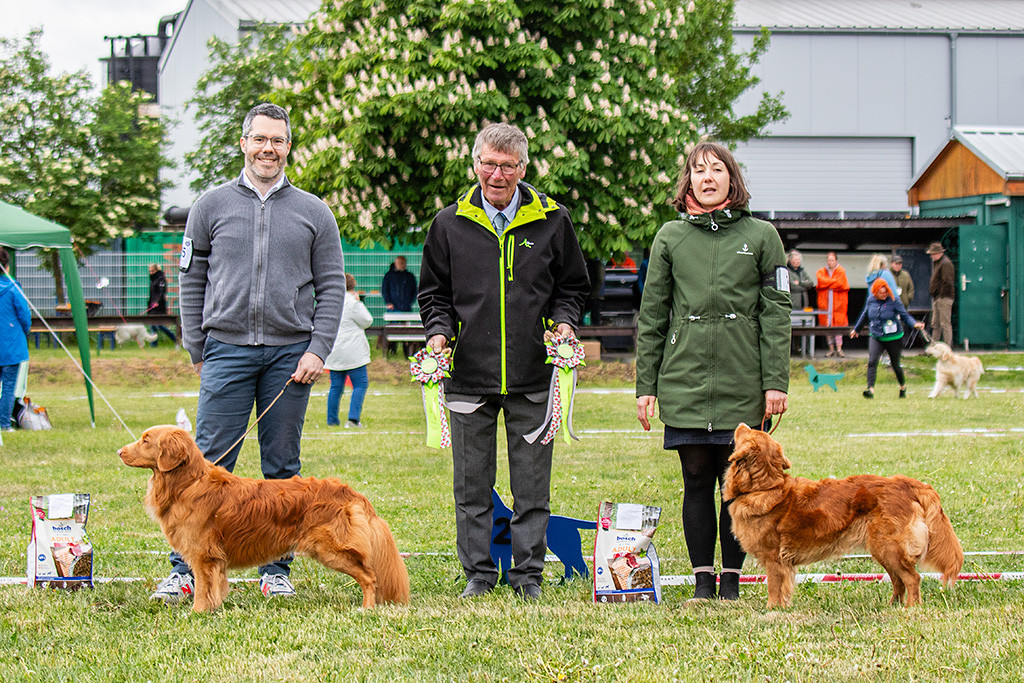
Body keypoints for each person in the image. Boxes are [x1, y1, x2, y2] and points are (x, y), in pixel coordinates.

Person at [162, 102, 346, 603]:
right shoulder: (210, 206)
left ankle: (276, 567)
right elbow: (190, 278)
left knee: (282, 466)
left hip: (292, 358)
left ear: (289, 146)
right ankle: (183, 567)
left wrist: (318, 348)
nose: (269, 148)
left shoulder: (315, 212)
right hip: (225, 349)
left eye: (278, 140)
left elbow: (331, 287)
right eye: (260, 139)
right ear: (243, 143)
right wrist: (197, 345)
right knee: (204, 463)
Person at [418, 122, 590, 601]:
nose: (497, 174)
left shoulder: (554, 220)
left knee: (532, 488)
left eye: (507, 166)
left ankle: (528, 575)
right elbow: (433, 293)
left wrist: (565, 323)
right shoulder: (448, 223)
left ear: (523, 168)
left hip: (535, 376)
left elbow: (573, 287)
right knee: (472, 487)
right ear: (475, 164)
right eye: (488, 164)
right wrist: (437, 334)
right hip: (467, 376)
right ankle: (478, 573)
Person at [635, 141, 791, 602]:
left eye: (716, 170)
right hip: (684, 379)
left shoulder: (763, 236)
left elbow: (777, 312)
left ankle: (731, 582)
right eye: (698, 170)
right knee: (697, 479)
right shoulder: (669, 237)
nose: (707, 178)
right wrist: (647, 386)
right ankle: (703, 582)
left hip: (744, 379)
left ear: (731, 178)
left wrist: (774, 382)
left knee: (740, 484)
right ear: (688, 180)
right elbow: (653, 315)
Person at [851, 278, 925, 398]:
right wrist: (856, 329)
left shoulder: (894, 300)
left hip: (894, 337)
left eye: (885, 292)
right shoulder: (871, 300)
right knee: (872, 361)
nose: (883, 295)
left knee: (895, 364)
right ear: (875, 292)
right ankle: (870, 390)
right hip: (876, 335)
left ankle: (902, 387)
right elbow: (865, 315)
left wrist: (915, 324)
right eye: (880, 293)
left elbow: (905, 316)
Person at [325, 273, 372, 429]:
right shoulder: (352, 303)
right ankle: (352, 419)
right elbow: (367, 321)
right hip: (353, 351)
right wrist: (358, 301)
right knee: (360, 384)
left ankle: (332, 420)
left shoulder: (331, 302)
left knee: (336, 386)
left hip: (334, 350)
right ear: (352, 287)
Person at [0, 248, 31, 432]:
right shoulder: (13, 288)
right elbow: (25, 316)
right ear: (7, 266)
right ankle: (4, 423)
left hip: (11, 344)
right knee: (9, 387)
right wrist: (21, 334)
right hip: (12, 346)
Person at [816, 251, 850, 357]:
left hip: (838, 304)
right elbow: (821, 282)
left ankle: (839, 349)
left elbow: (842, 284)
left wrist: (828, 283)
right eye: (828, 260)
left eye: (832, 260)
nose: (830, 262)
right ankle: (831, 349)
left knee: (838, 326)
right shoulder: (822, 271)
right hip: (826, 303)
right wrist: (833, 282)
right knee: (828, 326)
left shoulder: (841, 271)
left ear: (836, 260)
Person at [927, 242, 955, 346]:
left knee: (945, 324)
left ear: (938, 253)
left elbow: (947, 282)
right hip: (938, 297)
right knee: (936, 324)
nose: (931, 256)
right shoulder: (939, 262)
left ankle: (947, 348)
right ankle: (934, 347)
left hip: (944, 297)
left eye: (932, 254)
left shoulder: (945, 263)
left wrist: (940, 296)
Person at [146, 263, 176, 346]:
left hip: (159, 306)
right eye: (149, 271)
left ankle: (175, 339)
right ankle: (154, 345)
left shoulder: (160, 279)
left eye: (152, 271)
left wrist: (157, 302)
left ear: (156, 270)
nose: (150, 272)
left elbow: (161, 292)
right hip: (152, 306)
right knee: (152, 326)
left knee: (159, 325)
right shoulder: (153, 280)